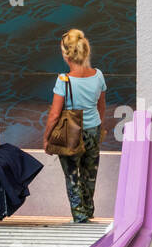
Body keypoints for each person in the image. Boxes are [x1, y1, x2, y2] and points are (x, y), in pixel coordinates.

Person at [43, 28, 106, 223]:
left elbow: (54, 114)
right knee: (89, 175)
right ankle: (88, 211)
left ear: (66, 54)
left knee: (73, 177)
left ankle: (79, 217)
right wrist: (99, 128)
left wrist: (46, 138)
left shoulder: (64, 80)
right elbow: (101, 106)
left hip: (71, 133)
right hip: (93, 130)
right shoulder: (98, 75)